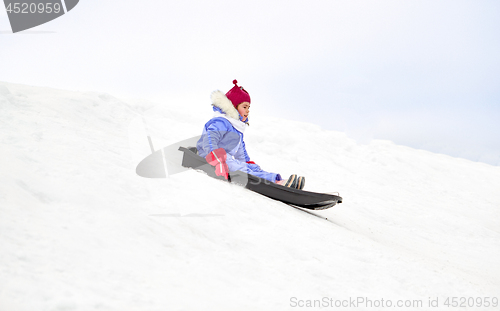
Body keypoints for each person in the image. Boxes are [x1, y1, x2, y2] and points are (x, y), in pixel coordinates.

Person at [196, 80, 305, 189]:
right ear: (233, 107)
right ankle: (274, 183)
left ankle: (278, 180)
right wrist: (218, 160)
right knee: (240, 169)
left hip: (225, 159)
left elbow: (240, 149)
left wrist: (247, 162)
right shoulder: (221, 122)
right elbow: (209, 139)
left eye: (249, 107)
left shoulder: (236, 127)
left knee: (250, 167)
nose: (247, 111)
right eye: (244, 107)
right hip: (210, 157)